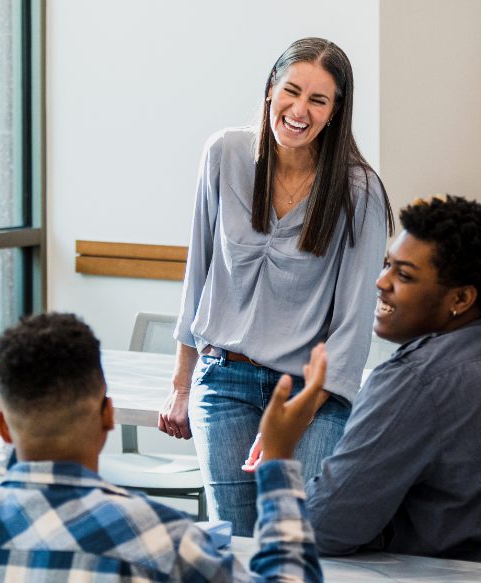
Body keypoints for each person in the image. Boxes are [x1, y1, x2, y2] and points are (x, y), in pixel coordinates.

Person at [159, 37, 392, 535]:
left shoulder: (359, 191)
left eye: (318, 100)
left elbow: (353, 325)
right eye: (292, 91)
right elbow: (196, 276)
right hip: (224, 382)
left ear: (335, 112)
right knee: (239, 540)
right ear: (270, 90)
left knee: (292, 533)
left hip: (313, 395)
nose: (299, 110)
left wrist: (297, 415)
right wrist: (180, 386)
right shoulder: (223, 154)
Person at [0, 313, 323, 582]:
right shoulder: (159, 539)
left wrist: (8, 415)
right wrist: (280, 463)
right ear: (108, 415)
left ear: (2, 425)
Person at [249, 196, 481, 566]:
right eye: (387, 266)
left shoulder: (414, 381)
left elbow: (323, 529)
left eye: (405, 275)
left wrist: (278, 453)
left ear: (460, 298)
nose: (381, 282)